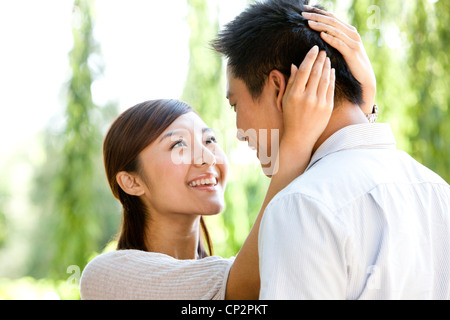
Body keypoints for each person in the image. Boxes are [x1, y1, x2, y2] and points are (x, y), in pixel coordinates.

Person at [212, 0, 450, 299]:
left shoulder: (302, 205)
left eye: (235, 105)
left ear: (277, 88)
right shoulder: (438, 190)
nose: (238, 132)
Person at [79, 44, 336, 299]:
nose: (207, 157)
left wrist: (364, 109)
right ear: (131, 182)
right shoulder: (105, 277)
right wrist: (297, 140)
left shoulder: (228, 271)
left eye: (209, 140)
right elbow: (241, 287)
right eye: (178, 145)